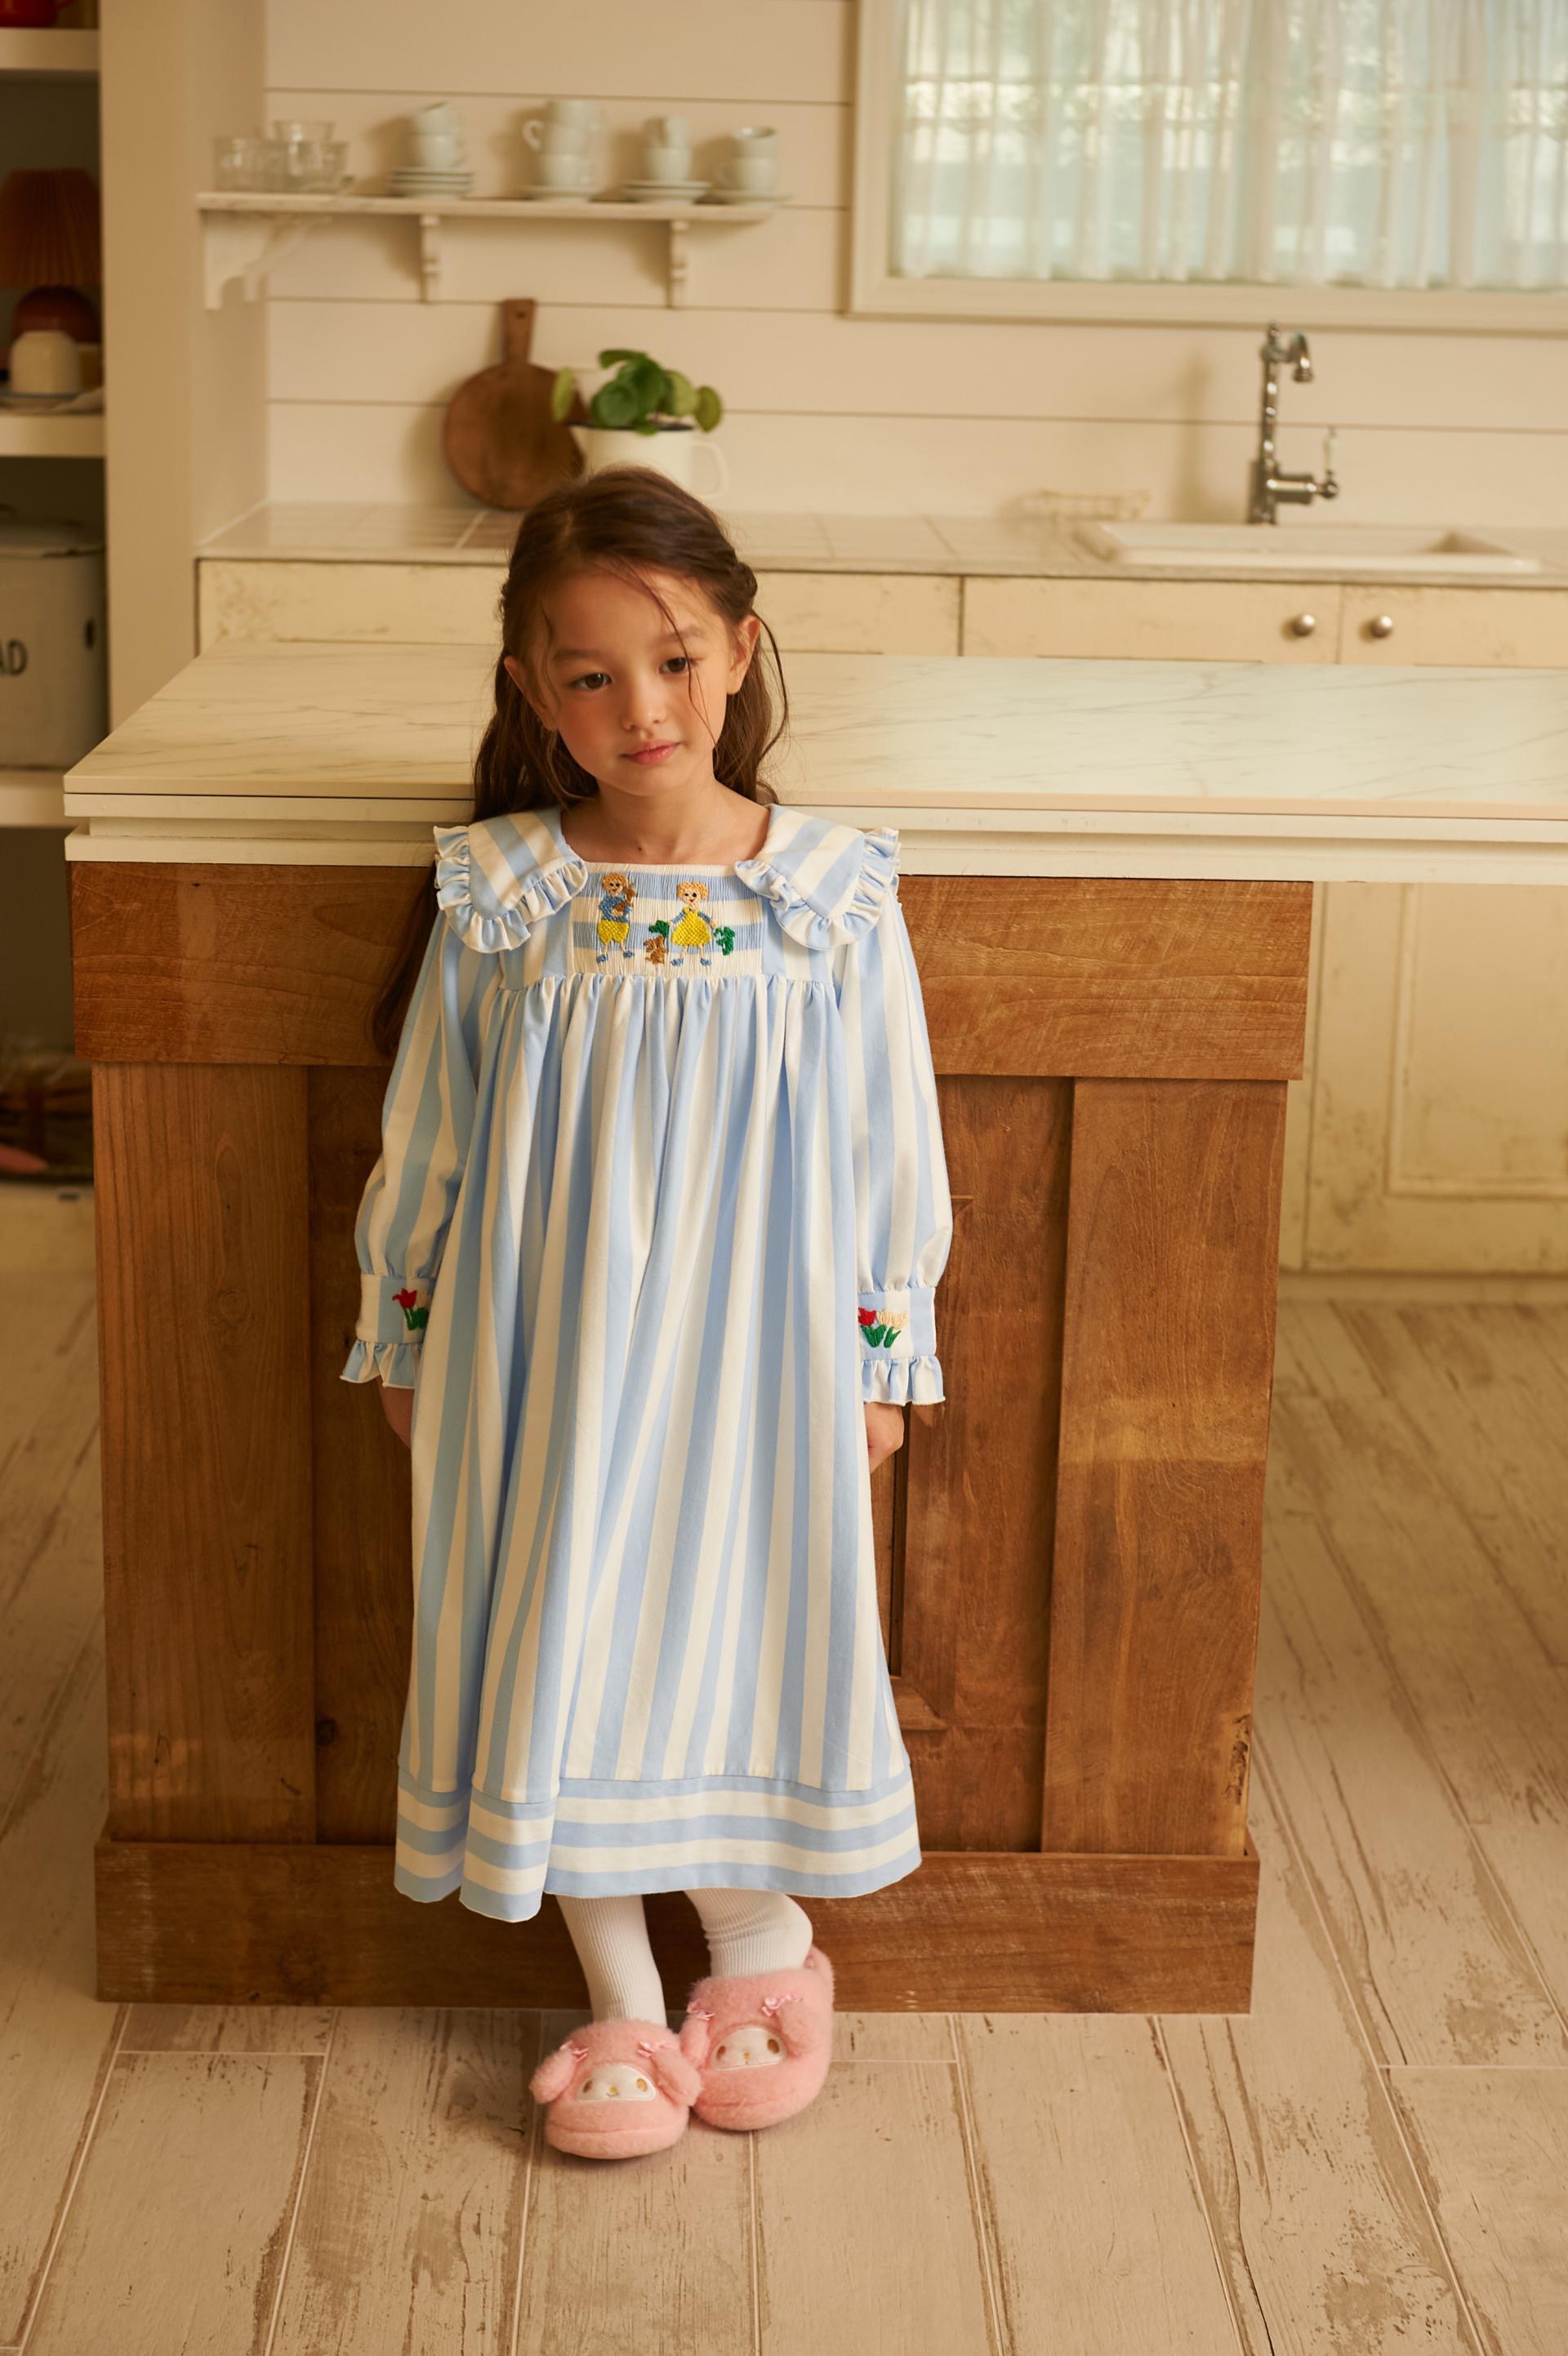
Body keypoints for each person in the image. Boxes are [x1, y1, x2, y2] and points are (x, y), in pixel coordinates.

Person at [341, 465, 953, 2158]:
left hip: (758, 1362)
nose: (642, 707)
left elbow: (891, 1141)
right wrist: (403, 1332)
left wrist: (883, 1362)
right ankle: (617, 1996)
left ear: (742, 651)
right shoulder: (510, 893)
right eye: (592, 675)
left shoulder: (826, 893)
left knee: (736, 1633)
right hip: (536, 1354)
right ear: (533, 690)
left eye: (675, 661)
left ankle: (761, 1946)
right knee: (555, 1638)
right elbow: (430, 1131)